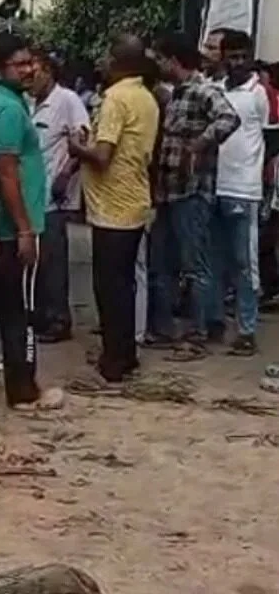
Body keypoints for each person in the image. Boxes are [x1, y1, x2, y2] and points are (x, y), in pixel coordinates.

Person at [0, 33, 63, 411]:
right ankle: (22, 389)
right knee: (19, 313)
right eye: (19, 64)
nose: (29, 69)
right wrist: (25, 228)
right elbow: (6, 172)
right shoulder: (8, 110)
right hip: (12, 228)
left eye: (31, 62)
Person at [69, 35, 159, 385]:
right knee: (123, 284)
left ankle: (114, 360)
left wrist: (77, 147)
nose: (102, 63)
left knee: (109, 286)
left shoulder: (117, 98)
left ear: (120, 62)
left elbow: (103, 156)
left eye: (107, 56)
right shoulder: (146, 97)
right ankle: (126, 354)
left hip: (113, 205)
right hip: (133, 198)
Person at [146, 32, 240, 356]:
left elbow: (230, 118)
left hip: (191, 191)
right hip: (168, 192)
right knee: (162, 264)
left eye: (160, 59)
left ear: (173, 61)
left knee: (194, 265)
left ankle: (197, 334)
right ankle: (165, 331)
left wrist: (200, 144)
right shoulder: (175, 95)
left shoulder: (203, 91)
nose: (157, 65)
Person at [210, 30, 271, 355]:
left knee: (245, 264)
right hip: (213, 186)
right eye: (229, 57)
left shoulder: (258, 94)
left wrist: (264, 184)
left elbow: (268, 139)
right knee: (214, 261)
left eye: (240, 57)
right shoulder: (215, 91)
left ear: (249, 57)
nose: (235, 63)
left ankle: (247, 329)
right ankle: (215, 323)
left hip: (244, 189)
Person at [28, 47, 91, 343]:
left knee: (53, 260)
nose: (30, 76)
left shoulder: (67, 100)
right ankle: (39, 315)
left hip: (53, 195)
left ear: (49, 72)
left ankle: (58, 319)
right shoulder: (28, 101)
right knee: (36, 261)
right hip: (30, 193)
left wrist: (66, 174)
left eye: (35, 70)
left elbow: (82, 139)